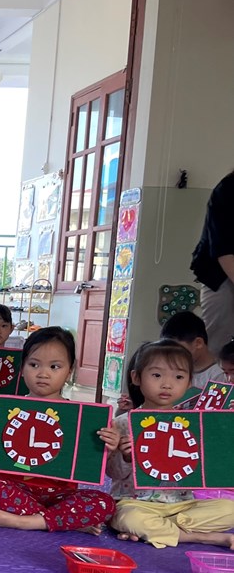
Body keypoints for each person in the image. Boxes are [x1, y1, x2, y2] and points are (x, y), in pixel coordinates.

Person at [0, 327, 119, 534]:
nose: (43, 374)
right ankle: (64, 520)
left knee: (105, 503)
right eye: (34, 365)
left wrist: (109, 447)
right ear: (22, 368)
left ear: (69, 371)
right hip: (18, 490)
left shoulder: (80, 416)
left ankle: (26, 521)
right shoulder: (7, 410)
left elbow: (92, 464)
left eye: (55, 367)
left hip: (61, 495)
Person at [106, 339, 234, 548]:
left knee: (230, 510)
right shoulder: (123, 423)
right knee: (127, 517)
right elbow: (113, 473)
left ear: (189, 382)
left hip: (181, 505)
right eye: (157, 375)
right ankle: (200, 536)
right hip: (135, 503)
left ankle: (158, 529)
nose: (167, 384)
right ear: (136, 377)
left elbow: (206, 467)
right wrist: (126, 457)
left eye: (178, 377)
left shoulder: (194, 423)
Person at [190, 169, 234, 356]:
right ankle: (214, 375)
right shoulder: (227, 190)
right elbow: (223, 251)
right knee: (217, 342)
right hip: (221, 275)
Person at [160, 310, 222, 388]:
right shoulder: (178, 371)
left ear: (198, 343)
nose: (174, 356)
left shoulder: (219, 375)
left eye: (178, 350)